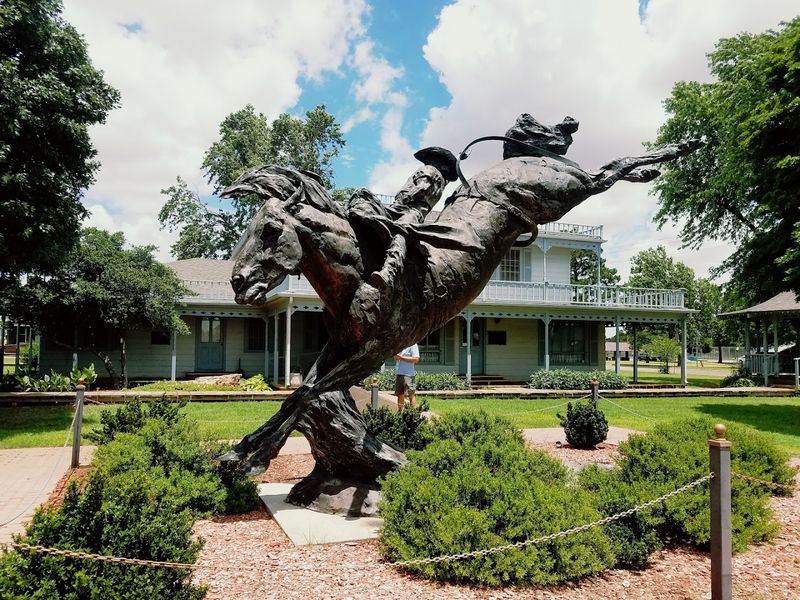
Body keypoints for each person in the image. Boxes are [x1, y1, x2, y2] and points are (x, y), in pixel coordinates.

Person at [394, 343, 420, 409]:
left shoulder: (413, 345)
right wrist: (396, 357)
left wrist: (401, 358)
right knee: (400, 394)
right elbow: (396, 357)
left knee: (411, 395)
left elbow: (416, 359)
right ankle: (400, 414)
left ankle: (413, 414)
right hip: (399, 373)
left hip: (409, 374)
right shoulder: (400, 345)